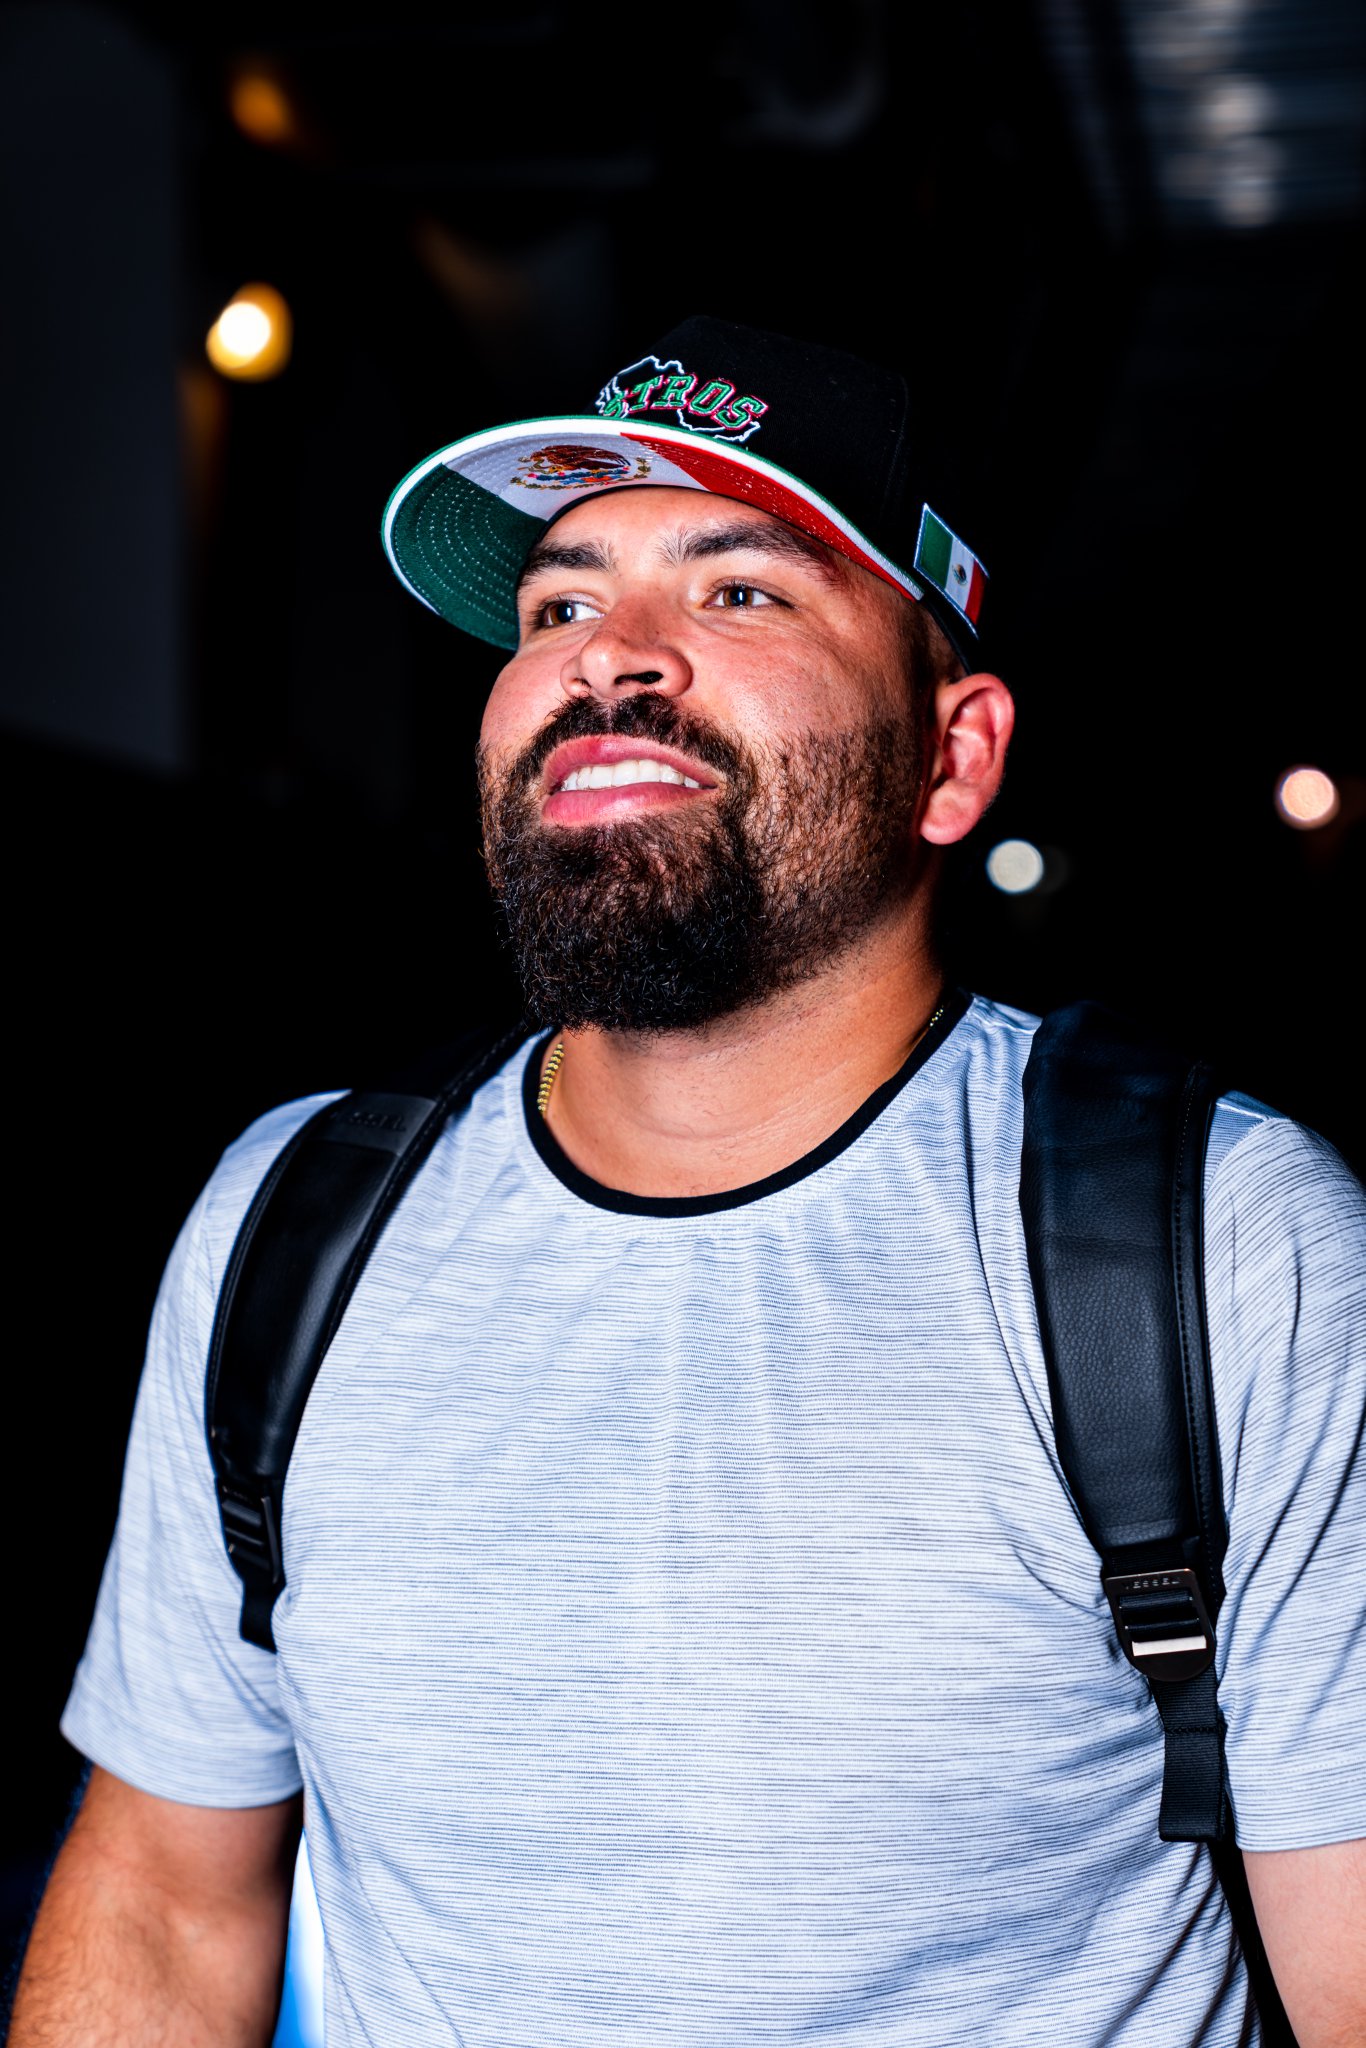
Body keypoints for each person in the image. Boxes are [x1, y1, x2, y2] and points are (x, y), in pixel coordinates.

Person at [12, 316, 1366, 2048]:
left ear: (952, 757)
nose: (613, 661)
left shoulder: (1214, 1241)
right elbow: (165, 1899)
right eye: (561, 605)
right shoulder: (289, 1222)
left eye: (738, 593)